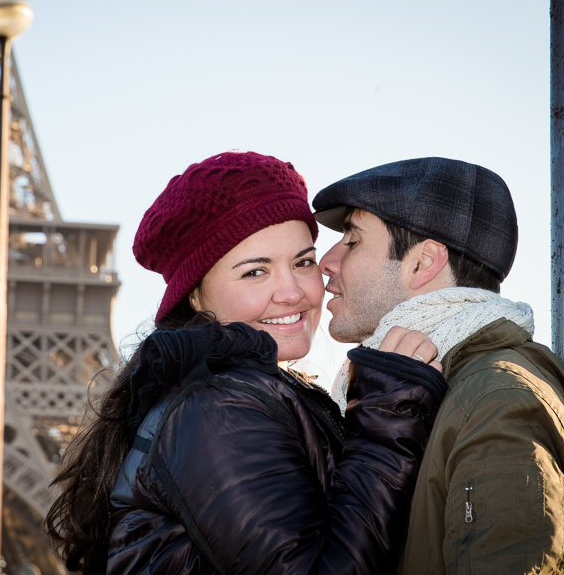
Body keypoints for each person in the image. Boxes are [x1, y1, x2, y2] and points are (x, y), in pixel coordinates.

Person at [45, 151, 448, 574]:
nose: (292, 293)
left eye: (303, 262)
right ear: (195, 296)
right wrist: (388, 420)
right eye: (255, 272)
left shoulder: (241, 394)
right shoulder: (215, 409)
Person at [313, 156, 564, 575]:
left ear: (423, 262)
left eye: (352, 240)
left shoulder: (496, 400)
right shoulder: (424, 388)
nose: (325, 262)